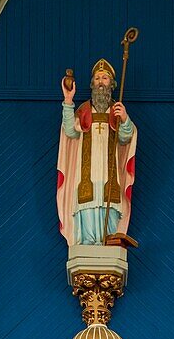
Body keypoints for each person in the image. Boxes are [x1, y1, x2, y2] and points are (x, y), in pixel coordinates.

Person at [56, 59, 137, 246]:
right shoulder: (83, 111)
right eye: (98, 78)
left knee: (109, 214)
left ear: (112, 84)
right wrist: (68, 100)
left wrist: (124, 119)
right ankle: (87, 242)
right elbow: (69, 130)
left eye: (105, 78)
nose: (101, 82)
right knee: (87, 208)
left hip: (110, 178)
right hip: (86, 177)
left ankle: (108, 241)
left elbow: (126, 138)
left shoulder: (117, 111)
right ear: (92, 83)